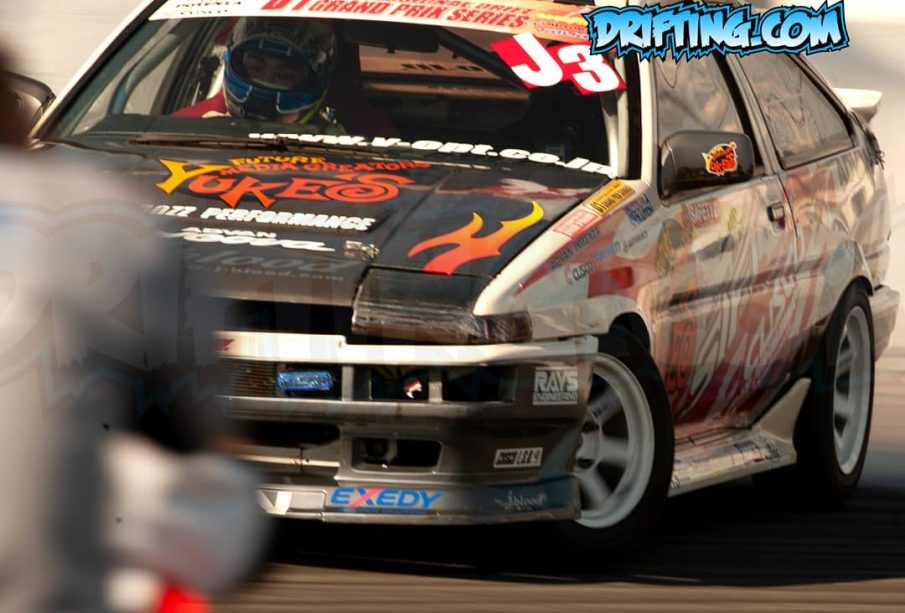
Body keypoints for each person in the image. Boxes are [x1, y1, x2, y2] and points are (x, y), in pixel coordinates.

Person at [175, 17, 339, 126]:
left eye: (284, 76)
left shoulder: (337, 150)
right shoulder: (191, 128)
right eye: (255, 68)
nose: (266, 80)